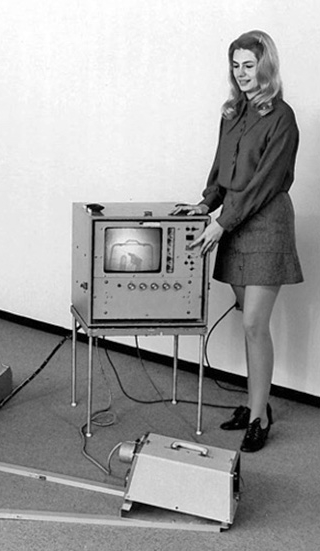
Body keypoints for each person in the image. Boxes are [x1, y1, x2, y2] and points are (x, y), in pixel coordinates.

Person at [172, 30, 303, 453]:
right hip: (232, 224)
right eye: (235, 65)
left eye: (249, 65)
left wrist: (221, 221)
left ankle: (260, 416)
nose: (241, 73)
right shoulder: (231, 113)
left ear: (265, 66)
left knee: (252, 325)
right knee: (249, 320)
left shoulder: (281, 117)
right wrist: (202, 206)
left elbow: (264, 183)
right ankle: (254, 403)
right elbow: (220, 174)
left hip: (265, 226)